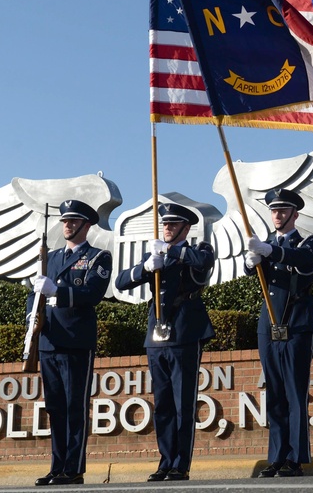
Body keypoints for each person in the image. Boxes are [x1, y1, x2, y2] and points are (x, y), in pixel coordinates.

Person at [115, 202, 214, 482]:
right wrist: (145, 267)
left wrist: (172, 251)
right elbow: (121, 283)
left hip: (184, 330)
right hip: (157, 333)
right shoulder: (155, 254)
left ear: (186, 228)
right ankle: (165, 460)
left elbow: (202, 264)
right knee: (163, 404)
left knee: (183, 402)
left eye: (173, 224)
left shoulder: (198, 250)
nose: (167, 228)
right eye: (165, 224)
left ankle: (181, 463)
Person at [30, 199, 111, 487]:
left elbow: (92, 294)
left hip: (77, 340)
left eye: (74, 221)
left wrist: (59, 291)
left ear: (86, 225)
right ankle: (57, 466)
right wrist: (32, 318)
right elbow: (35, 294)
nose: (68, 224)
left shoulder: (98, 257)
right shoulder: (50, 258)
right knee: (54, 407)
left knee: (75, 406)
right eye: (65, 220)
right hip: (49, 341)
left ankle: (73, 468)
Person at [247, 188, 313, 478]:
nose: (277, 215)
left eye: (282, 210)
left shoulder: (307, 241)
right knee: (275, 393)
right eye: (274, 210)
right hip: (270, 323)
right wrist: (251, 262)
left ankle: (296, 457)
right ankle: (277, 455)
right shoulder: (264, 244)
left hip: (296, 322)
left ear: (294, 213)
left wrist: (270, 252)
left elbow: (305, 261)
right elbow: (257, 272)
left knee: (294, 391)